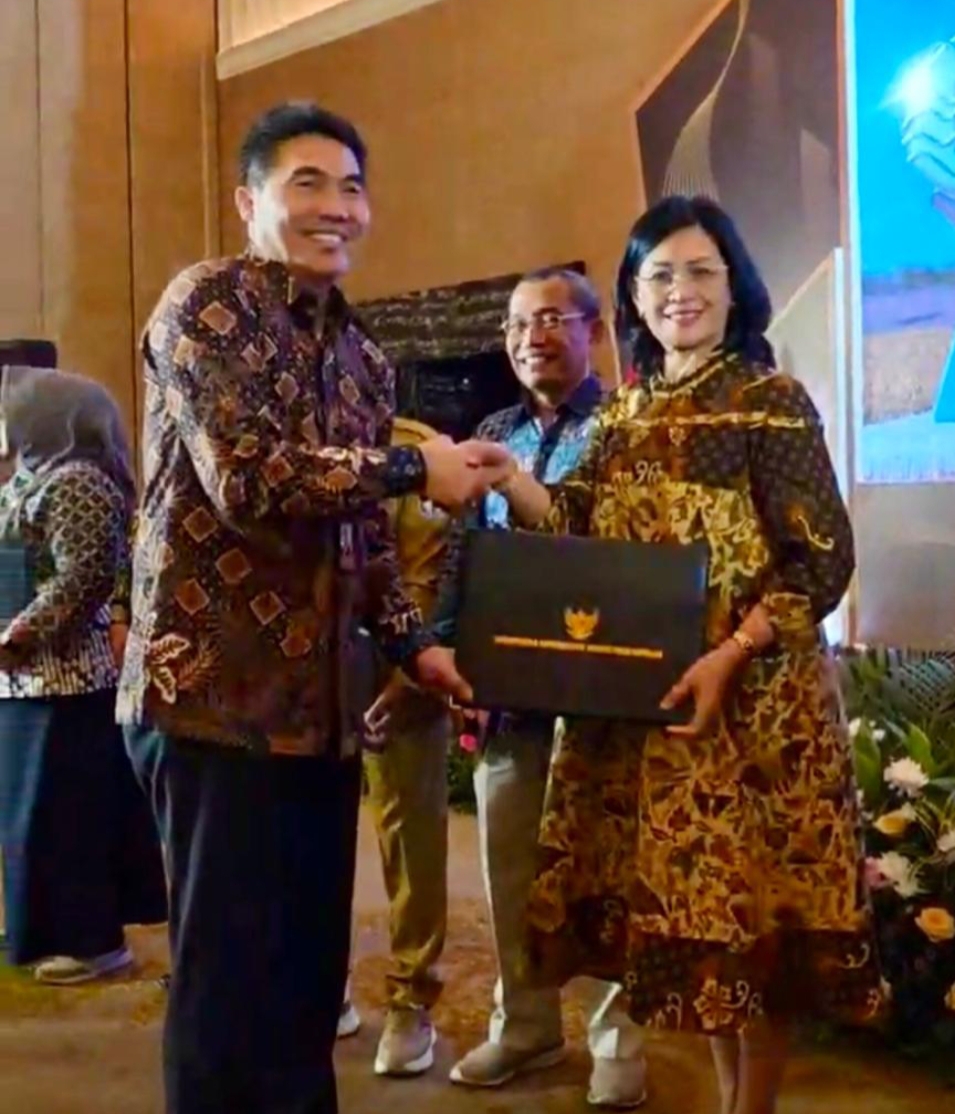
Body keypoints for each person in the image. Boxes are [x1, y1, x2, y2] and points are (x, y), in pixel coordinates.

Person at [118, 101, 506, 1114]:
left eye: (352, 187)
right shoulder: (207, 303)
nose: (337, 206)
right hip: (216, 699)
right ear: (248, 200)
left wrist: (414, 648)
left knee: (305, 979)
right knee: (226, 988)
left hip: (323, 715)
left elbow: (362, 536)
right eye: (308, 183)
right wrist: (414, 466)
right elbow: (245, 476)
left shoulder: (363, 358)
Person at [457, 195, 883, 1114]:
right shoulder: (625, 413)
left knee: (756, 934)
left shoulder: (768, 403)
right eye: (658, 275)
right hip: (659, 713)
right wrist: (512, 479)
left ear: (735, 288)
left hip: (754, 716)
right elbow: (575, 531)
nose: (678, 291)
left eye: (699, 271)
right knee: (707, 933)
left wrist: (731, 653)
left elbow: (820, 560)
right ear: (633, 295)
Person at [427, 268, 648, 1109]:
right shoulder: (492, 430)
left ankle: (615, 1043)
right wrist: (447, 646)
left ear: (594, 329)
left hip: (601, 692)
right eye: (517, 325)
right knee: (509, 864)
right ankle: (523, 1025)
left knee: (606, 871)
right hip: (509, 687)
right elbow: (464, 550)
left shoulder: (627, 425)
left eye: (552, 318)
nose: (531, 338)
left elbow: (619, 548)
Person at [0, 365, 167, 984]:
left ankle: (95, 941)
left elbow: (83, 579)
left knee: (68, 818)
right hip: (24, 678)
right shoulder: (30, 476)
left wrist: (16, 636)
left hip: (68, 682)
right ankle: (41, 927)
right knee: (29, 817)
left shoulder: (79, 482)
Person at [338, 414, 455, 1077]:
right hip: (308, 681)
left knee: (411, 840)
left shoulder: (415, 449)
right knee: (304, 839)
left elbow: (432, 573)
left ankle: (412, 997)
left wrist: (406, 676)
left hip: (402, 674)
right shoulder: (291, 441)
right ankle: (322, 981)